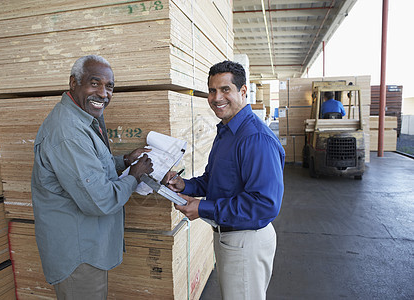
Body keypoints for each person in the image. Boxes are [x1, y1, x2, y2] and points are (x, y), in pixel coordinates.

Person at [31, 55, 153, 299]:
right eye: (94, 83)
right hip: (78, 254)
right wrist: (135, 177)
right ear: (73, 83)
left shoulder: (82, 117)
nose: (103, 93)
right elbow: (100, 199)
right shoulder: (69, 132)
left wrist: (125, 161)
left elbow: (90, 167)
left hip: (87, 245)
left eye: (109, 87)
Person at [164, 60, 285, 299]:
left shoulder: (255, 139)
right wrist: (184, 185)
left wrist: (203, 207)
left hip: (245, 241)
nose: (217, 97)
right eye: (212, 90)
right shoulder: (227, 132)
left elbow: (264, 204)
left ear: (243, 91)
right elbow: (214, 180)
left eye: (225, 89)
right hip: (229, 237)